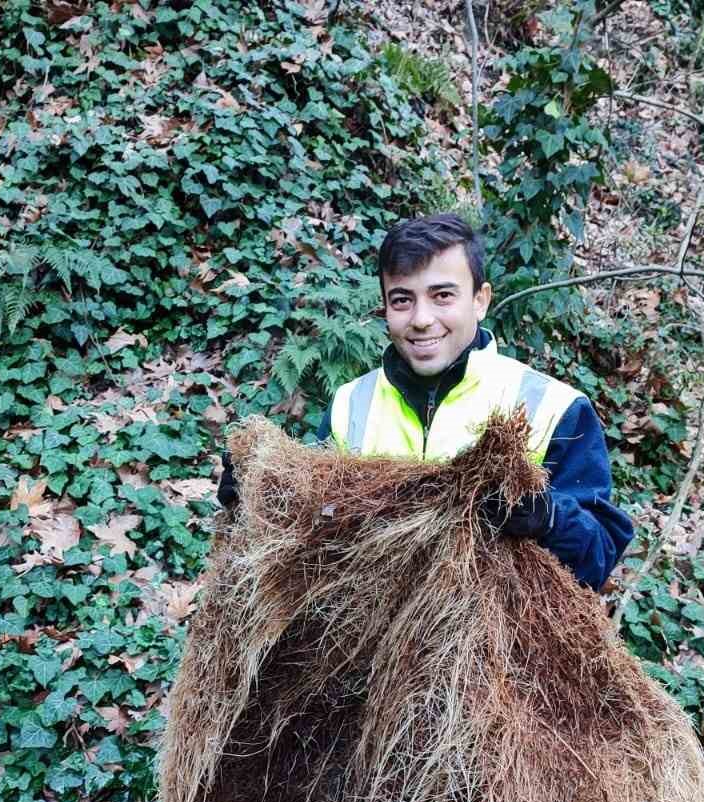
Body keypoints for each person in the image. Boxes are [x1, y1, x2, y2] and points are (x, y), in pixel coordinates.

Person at [218, 213, 632, 590]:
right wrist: (259, 493)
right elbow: (311, 536)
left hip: (498, 662)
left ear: (480, 300)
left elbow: (599, 558)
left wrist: (550, 518)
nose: (420, 319)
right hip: (365, 657)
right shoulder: (350, 404)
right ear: (385, 308)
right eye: (402, 299)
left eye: (442, 296)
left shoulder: (553, 407)